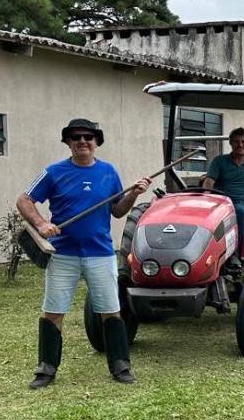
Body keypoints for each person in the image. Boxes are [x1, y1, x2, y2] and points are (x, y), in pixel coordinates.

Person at [16, 118, 151, 388]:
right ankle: (46, 369)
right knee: (53, 311)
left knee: (111, 310)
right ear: (68, 142)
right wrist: (42, 224)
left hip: (100, 254)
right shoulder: (53, 172)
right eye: (76, 137)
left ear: (96, 142)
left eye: (88, 137)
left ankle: (120, 366)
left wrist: (134, 194)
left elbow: (117, 210)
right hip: (63, 255)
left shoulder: (109, 173)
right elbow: (24, 200)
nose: (82, 142)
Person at [202, 127, 244, 244]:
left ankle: (237, 252)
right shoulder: (219, 161)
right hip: (220, 201)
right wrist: (204, 200)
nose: (240, 145)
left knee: (240, 211)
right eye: (236, 141)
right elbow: (209, 182)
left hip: (238, 203)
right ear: (231, 143)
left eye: (243, 141)